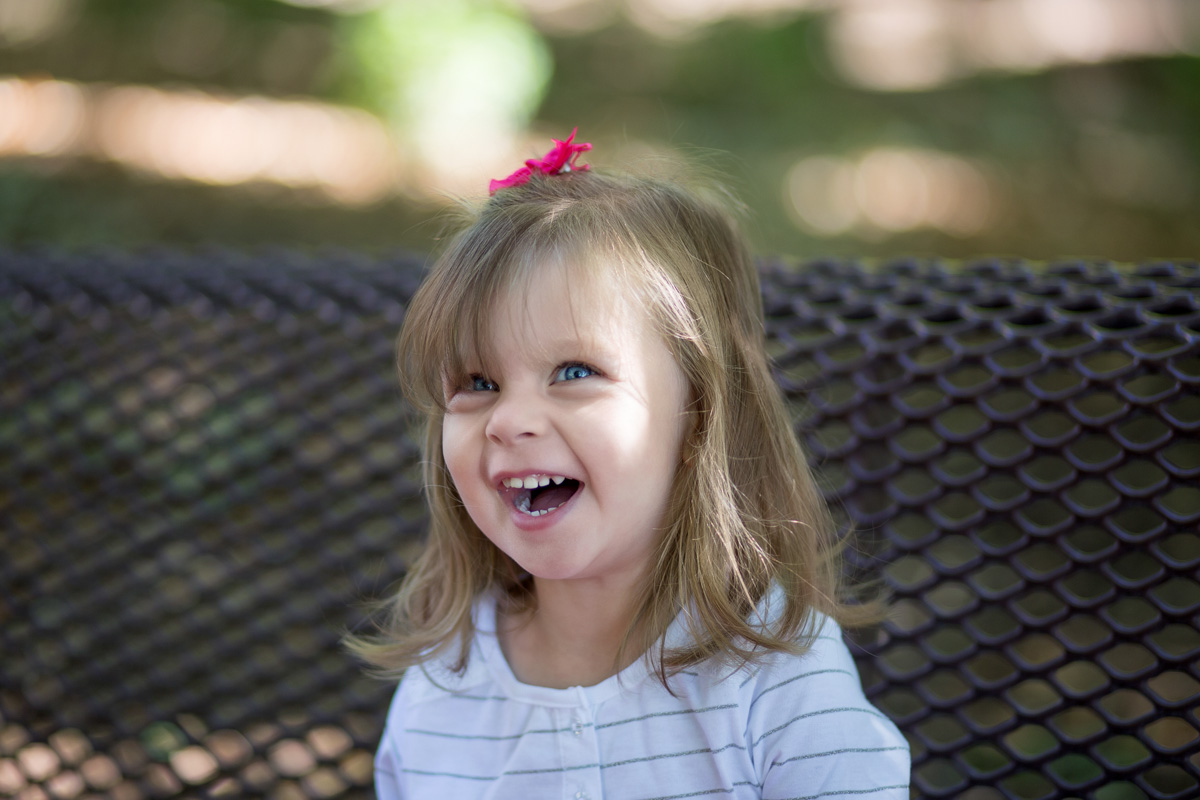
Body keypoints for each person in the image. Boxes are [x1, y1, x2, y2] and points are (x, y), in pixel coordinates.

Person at [348, 130, 911, 799]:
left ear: (698, 413)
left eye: (574, 371)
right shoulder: (442, 688)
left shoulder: (777, 680)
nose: (508, 419)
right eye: (478, 382)